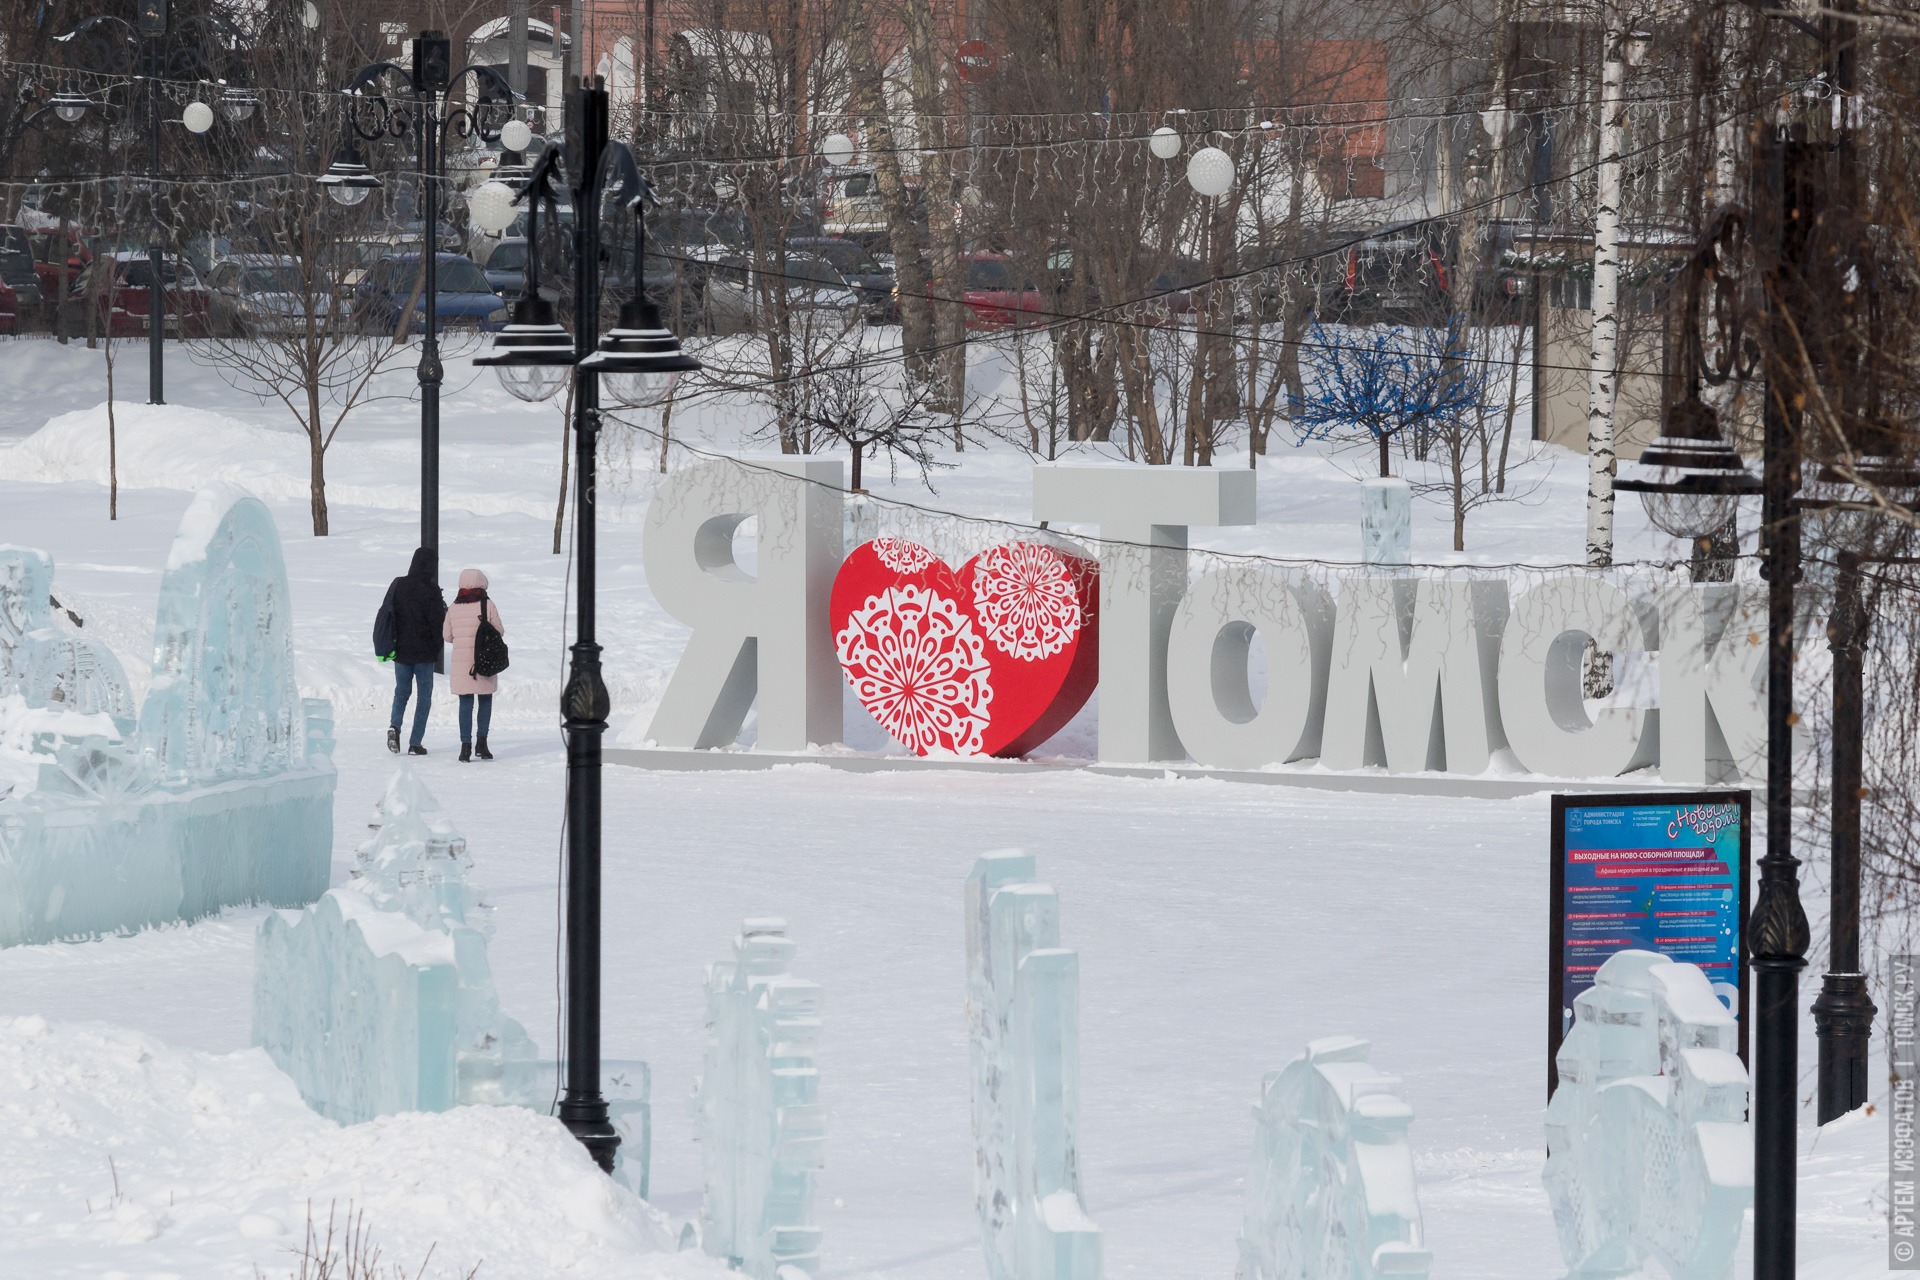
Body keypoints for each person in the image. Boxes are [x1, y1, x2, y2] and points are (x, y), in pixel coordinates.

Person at [378, 546, 446, 755]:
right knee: (423, 697)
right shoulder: (431, 590)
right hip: (424, 653)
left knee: (402, 692)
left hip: (401, 650)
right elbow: (438, 623)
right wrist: (436, 646)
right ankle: (415, 743)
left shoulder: (399, 584)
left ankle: (394, 725)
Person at [444, 567, 504, 762]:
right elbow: (499, 632)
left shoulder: (453, 607)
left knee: (465, 703)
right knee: (485, 700)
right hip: (484, 660)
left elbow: (447, 636)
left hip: (462, 666)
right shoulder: (488, 604)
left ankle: (465, 748)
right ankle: (482, 744)